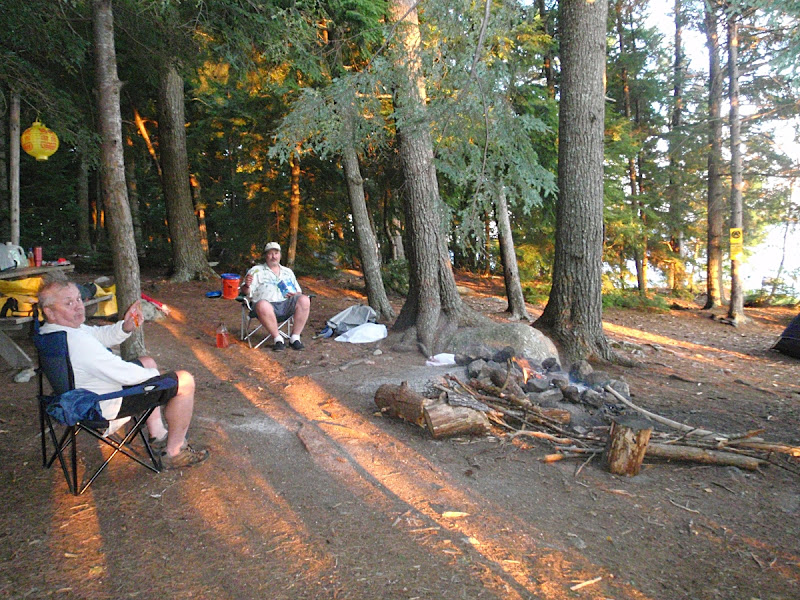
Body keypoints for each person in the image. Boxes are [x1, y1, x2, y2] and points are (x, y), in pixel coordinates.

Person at [37, 280, 209, 470]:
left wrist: (125, 327)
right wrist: (157, 378)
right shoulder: (76, 342)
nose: (78, 306)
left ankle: (158, 434)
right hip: (102, 404)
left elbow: (98, 334)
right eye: (68, 303)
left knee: (146, 361)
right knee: (184, 381)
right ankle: (175, 453)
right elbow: (123, 374)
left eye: (78, 299)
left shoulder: (54, 331)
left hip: (79, 397)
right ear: (50, 312)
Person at [240, 241, 310, 351]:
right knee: (263, 304)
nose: (274, 256)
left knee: (304, 300)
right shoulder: (256, 270)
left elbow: (298, 292)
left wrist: (295, 294)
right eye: (270, 253)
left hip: (286, 305)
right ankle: (278, 339)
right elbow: (245, 292)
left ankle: (295, 338)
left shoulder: (288, 272)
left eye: (276, 253)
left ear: (280, 255)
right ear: (265, 256)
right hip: (265, 307)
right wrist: (247, 285)